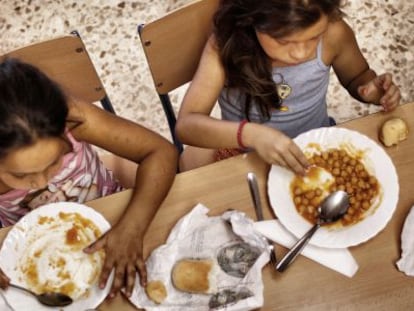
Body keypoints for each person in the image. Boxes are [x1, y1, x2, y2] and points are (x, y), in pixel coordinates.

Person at [0, 58, 178, 298]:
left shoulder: (74, 118)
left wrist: (132, 228)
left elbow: (161, 153)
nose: (42, 183)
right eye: (21, 175)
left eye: (54, 161)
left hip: (119, 216)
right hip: (31, 251)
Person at [175, 0, 401, 174]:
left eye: (314, 37)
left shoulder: (335, 34)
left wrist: (371, 89)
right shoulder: (225, 46)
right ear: (250, 20)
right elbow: (186, 124)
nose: (301, 53)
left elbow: (358, 77)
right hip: (243, 153)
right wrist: (250, 135)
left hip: (313, 146)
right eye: (284, 41)